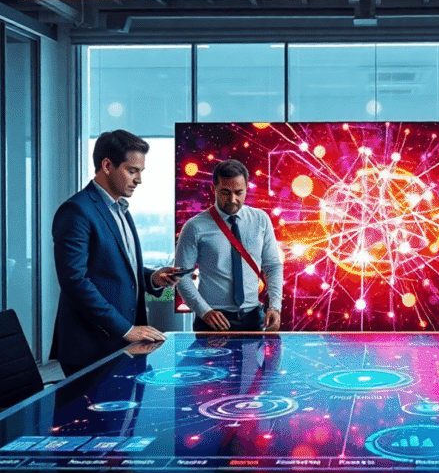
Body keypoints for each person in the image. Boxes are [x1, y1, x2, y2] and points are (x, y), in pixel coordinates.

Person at [51, 130, 177, 377]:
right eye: (132, 171)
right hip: (92, 346)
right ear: (107, 165)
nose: (139, 179)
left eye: (141, 172)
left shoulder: (120, 210)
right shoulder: (77, 211)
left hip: (119, 344)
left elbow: (115, 267)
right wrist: (125, 329)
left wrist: (152, 278)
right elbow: (74, 281)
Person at [175, 159, 283, 332]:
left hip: (254, 317)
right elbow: (181, 276)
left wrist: (275, 306)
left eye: (239, 192)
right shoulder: (194, 227)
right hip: (212, 319)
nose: (233, 199)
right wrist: (204, 311)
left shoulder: (261, 220)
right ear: (214, 189)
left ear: (247, 188)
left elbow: (272, 266)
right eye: (225, 192)